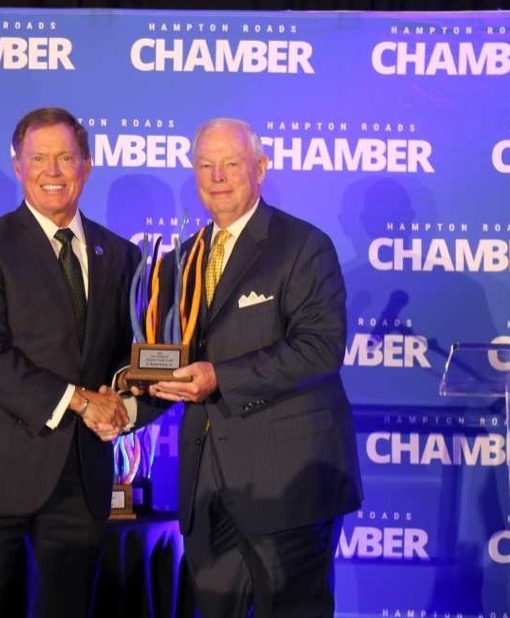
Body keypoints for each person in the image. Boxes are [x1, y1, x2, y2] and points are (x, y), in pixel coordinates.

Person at [147, 118, 363, 617]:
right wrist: (118, 398)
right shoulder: (182, 260)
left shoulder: (303, 246)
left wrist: (221, 376)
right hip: (207, 487)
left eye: (231, 164)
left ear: (260, 168)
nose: (217, 176)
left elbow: (320, 349)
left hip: (286, 484)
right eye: (205, 165)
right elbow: (167, 358)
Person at [0, 107, 138, 617]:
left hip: (82, 482)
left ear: (87, 166)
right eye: (39, 158)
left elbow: (124, 361)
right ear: (18, 166)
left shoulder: (122, 256)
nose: (53, 171)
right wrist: (77, 401)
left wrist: (124, 400)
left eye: (66, 158)